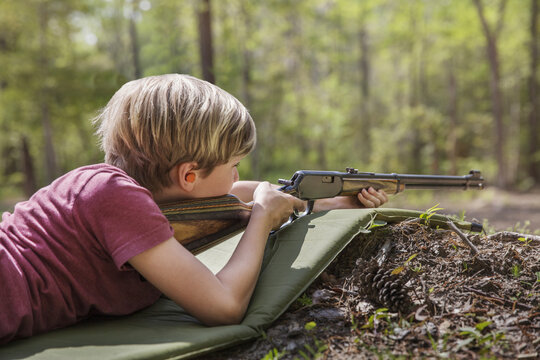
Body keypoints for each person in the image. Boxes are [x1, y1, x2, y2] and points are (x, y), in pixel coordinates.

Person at [0, 74, 388, 344]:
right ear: (189, 175)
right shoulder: (113, 197)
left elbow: (236, 193)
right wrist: (260, 220)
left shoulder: (128, 193)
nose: (238, 174)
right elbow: (222, 307)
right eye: (234, 163)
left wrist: (340, 201)